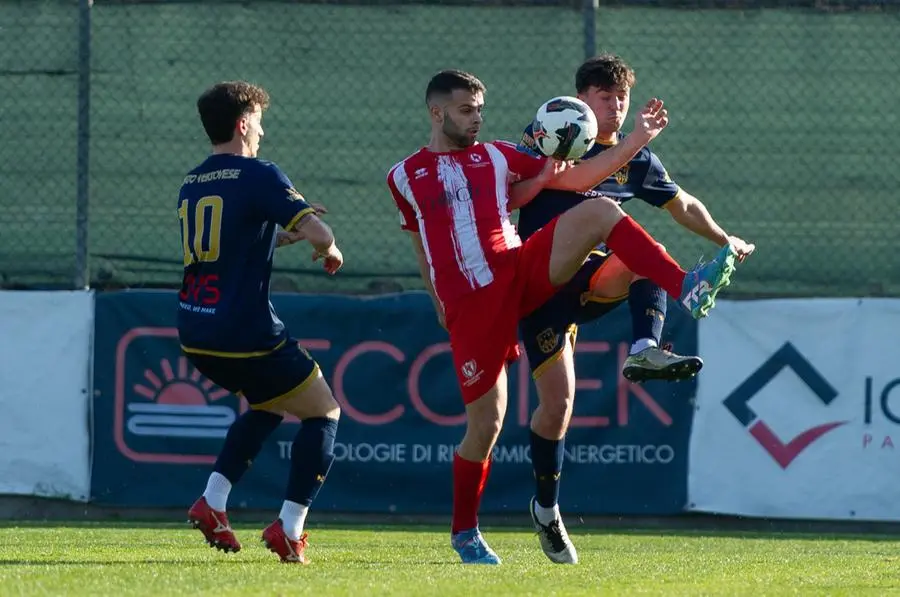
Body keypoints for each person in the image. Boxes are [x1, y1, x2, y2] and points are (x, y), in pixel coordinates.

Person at [386, 69, 740, 565]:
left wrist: (636, 140)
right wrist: (436, 299)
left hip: (518, 270)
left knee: (599, 211)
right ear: (437, 112)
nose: (476, 119)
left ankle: (686, 286)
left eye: (480, 110)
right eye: (467, 110)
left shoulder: (498, 154)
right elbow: (421, 242)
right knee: (486, 425)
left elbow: (576, 178)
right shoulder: (403, 175)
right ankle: (465, 532)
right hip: (470, 304)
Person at [512, 54, 756, 564]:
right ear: (581, 99)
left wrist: (723, 237)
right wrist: (636, 141)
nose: (617, 106)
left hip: (591, 284)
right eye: (605, 97)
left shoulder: (634, 156)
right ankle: (547, 508)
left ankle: (646, 347)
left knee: (640, 254)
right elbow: (571, 183)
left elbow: (681, 203)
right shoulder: (552, 133)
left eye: (621, 98)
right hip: (538, 289)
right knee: (555, 408)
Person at [178, 81, 344, 564]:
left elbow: (230, 245)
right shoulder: (259, 173)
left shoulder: (193, 182)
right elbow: (320, 230)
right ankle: (289, 528)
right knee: (324, 412)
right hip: (244, 332)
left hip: (195, 328)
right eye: (259, 121)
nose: (263, 131)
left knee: (269, 405)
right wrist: (325, 245)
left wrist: (282, 234)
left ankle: (213, 501)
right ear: (243, 123)